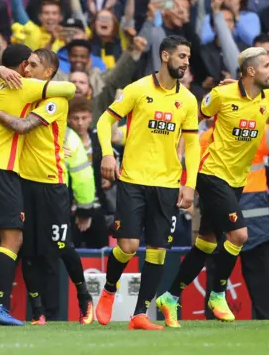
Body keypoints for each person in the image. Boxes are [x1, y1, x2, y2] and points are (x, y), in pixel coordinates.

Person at [156, 47, 269, 327]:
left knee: (206, 243)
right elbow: (193, 120)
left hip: (237, 180)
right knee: (239, 235)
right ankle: (218, 294)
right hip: (211, 173)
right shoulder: (221, 95)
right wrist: (179, 160)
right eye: (266, 66)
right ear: (251, 71)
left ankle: (170, 296)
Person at [0, 44, 76, 326]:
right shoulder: (25, 86)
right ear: (24, 65)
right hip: (1, 171)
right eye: (30, 63)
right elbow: (70, 90)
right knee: (13, 238)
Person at [94, 35, 200, 330]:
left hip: (166, 185)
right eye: (182, 56)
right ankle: (109, 289)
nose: (186, 62)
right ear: (165, 57)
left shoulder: (188, 100)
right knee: (127, 245)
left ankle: (139, 314)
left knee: (158, 250)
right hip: (132, 179)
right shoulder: (138, 89)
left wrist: (189, 183)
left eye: (188, 57)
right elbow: (104, 122)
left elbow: (193, 146)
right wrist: (107, 155)